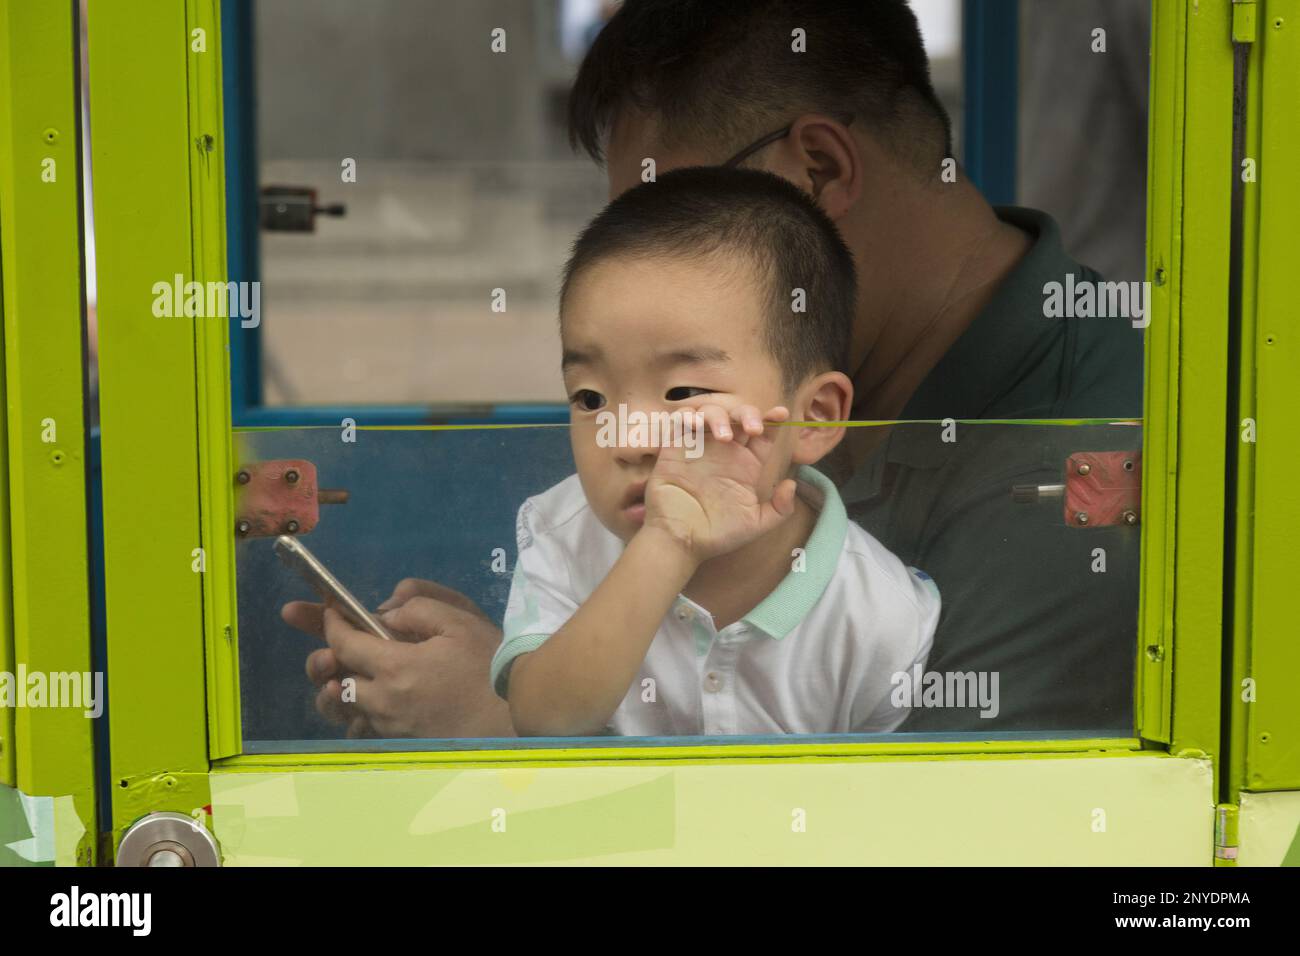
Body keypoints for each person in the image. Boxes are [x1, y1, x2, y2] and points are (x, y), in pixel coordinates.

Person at [286, 0, 1142, 736]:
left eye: (681, 221)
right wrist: (535, 665)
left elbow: (919, 833)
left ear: (819, 170)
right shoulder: (792, 409)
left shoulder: (1086, 456)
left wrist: (497, 720)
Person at [494, 166, 939, 736]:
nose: (628, 440)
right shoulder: (561, 534)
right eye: (590, 398)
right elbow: (546, 722)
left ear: (815, 416)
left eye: (683, 394)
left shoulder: (880, 613)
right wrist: (667, 544)